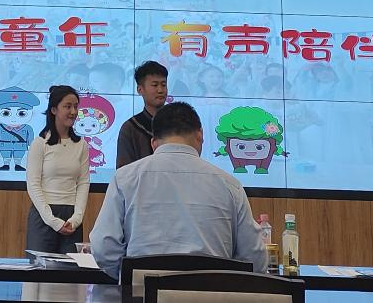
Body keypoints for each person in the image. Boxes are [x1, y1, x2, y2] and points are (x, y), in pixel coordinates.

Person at [90, 101, 267, 280]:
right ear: (200, 135)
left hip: (141, 291)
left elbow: (104, 247)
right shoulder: (230, 185)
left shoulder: (124, 178)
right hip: (212, 291)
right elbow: (254, 259)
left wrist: (128, 276)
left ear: (153, 143)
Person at [25, 85, 90, 253]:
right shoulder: (40, 143)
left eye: (75, 106)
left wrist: (77, 218)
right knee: (39, 268)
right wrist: (52, 220)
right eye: (67, 106)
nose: (73, 112)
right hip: (44, 216)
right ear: (54, 110)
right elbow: (33, 184)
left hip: (71, 218)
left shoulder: (81, 145)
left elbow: (83, 183)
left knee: (70, 268)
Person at [116, 61, 168, 168]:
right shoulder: (130, 128)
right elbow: (123, 170)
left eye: (163, 85)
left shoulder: (178, 124)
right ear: (140, 90)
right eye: (155, 85)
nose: (160, 90)